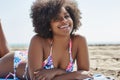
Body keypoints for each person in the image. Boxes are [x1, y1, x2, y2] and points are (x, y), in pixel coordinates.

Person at [0, 0, 92, 80]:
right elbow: (35, 79)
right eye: (57, 19)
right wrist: (62, 72)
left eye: (66, 16)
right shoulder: (38, 40)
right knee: (3, 56)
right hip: (14, 62)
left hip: (31, 57)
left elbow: (85, 74)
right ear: (48, 26)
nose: (64, 21)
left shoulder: (79, 41)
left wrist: (55, 73)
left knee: (3, 52)